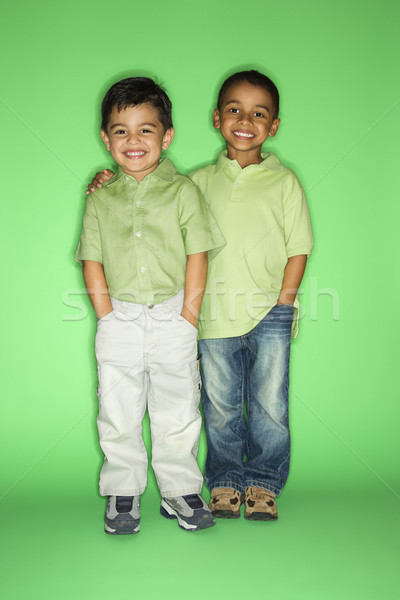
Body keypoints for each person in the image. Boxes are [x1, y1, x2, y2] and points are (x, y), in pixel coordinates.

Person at [87, 69, 313, 522]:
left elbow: (298, 246)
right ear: (216, 118)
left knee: (267, 402)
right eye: (234, 109)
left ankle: (258, 482)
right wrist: (104, 182)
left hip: (257, 311)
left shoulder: (281, 182)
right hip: (206, 317)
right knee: (217, 404)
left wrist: (284, 302)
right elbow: (143, 196)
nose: (245, 119)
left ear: (274, 125)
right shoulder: (195, 181)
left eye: (258, 113)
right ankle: (221, 480)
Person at [76, 76, 225, 535]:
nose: (134, 140)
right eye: (121, 130)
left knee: (177, 411)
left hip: (172, 315)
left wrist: (188, 315)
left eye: (146, 129)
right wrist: (106, 315)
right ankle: (124, 490)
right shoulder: (100, 197)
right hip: (119, 318)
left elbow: (198, 253)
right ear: (106, 138)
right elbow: (92, 258)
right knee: (117, 410)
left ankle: (180, 490)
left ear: (167, 136)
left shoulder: (183, 192)